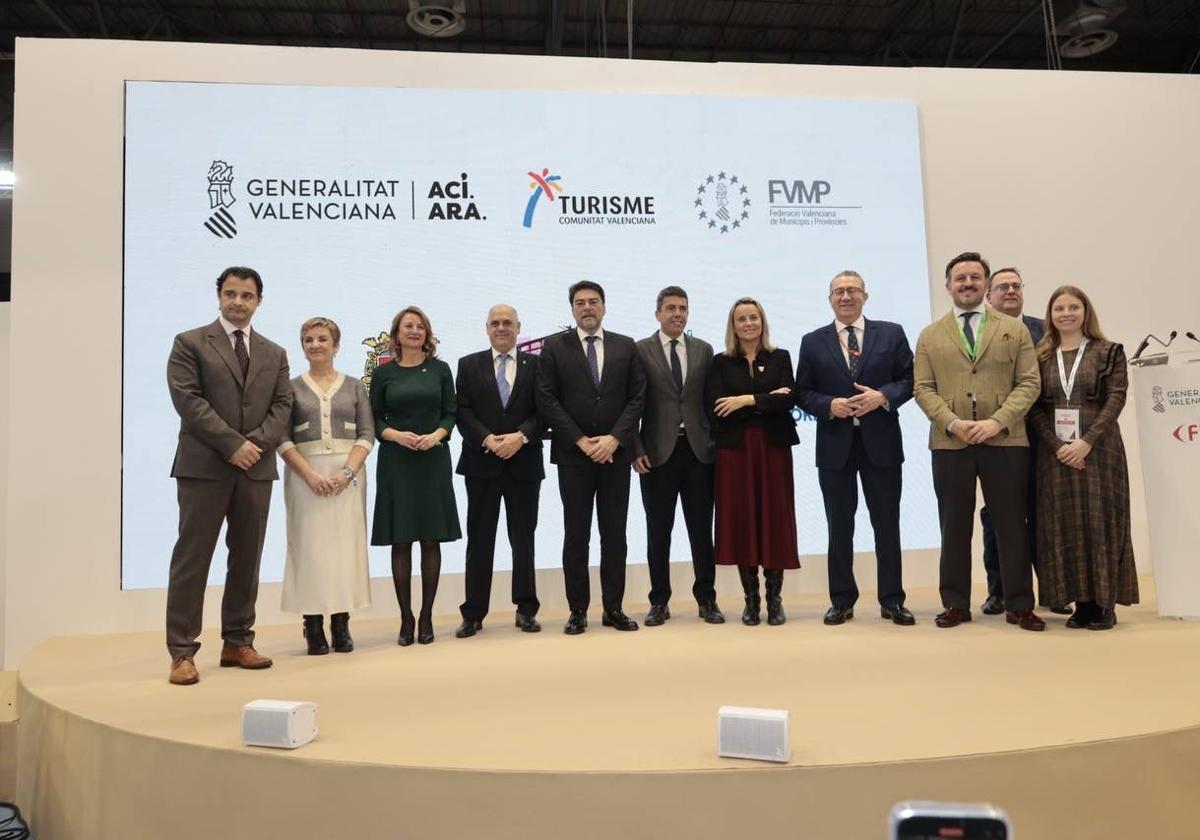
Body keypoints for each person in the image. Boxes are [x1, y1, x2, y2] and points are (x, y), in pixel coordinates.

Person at [164, 266, 292, 685]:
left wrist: (253, 444)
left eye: (247, 295)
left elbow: (282, 406)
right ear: (219, 296)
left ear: (259, 301)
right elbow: (188, 400)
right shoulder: (190, 343)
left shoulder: (274, 352)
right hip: (204, 468)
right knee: (193, 558)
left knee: (247, 557)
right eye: (231, 294)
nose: (238, 302)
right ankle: (182, 651)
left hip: (255, 469)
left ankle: (238, 641)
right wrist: (232, 444)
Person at [912, 252, 1045, 631]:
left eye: (974, 278)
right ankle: (955, 603)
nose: (967, 283)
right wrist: (952, 422)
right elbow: (922, 388)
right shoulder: (930, 335)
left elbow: (1029, 383)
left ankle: (1019, 604)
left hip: (1004, 440)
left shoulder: (1013, 330)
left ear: (985, 285)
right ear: (948, 286)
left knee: (1010, 525)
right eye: (960, 278)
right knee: (953, 525)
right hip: (950, 443)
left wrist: (997, 421)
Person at [795, 271, 915, 627]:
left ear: (865, 295)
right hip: (835, 447)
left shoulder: (891, 333)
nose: (846, 296)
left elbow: (910, 380)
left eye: (852, 290)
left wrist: (884, 396)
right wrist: (828, 404)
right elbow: (801, 391)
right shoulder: (812, 340)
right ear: (829, 298)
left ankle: (892, 600)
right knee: (839, 526)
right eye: (839, 291)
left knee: (887, 525)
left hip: (882, 446)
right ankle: (841, 600)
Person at [535, 280, 646, 635]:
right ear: (572, 309)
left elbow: (637, 398)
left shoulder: (626, 346)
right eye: (580, 302)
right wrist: (582, 441)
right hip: (574, 457)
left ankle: (613, 608)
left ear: (604, 306)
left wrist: (614, 439)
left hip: (615, 455)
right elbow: (547, 399)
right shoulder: (554, 347)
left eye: (593, 302)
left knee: (615, 535)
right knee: (576, 535)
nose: (587, 308)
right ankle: (577, 610)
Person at [1027, 286, 1137, 630]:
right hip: (1054, 455)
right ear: (1051, 315)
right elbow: (1032, 406)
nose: (1066, 313)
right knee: (1065, 525)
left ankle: (1104, 604)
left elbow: (1116, 399)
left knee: (1100, 522)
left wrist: (1086, 442)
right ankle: (1081, 603)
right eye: (1059, 308)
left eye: (1074, 307)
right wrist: (1058, 445)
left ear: (1085, 312)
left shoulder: (1109, 352)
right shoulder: (1040, 356)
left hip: (1100, 452)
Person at [277, 317, 374, 655]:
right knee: (310, 549)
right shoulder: (289, 388)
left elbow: (366, 434)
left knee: (344, 549)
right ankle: (313, 623)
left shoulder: (354, 386)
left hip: (347, 476)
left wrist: (347, 473)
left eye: (322, 338)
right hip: (307, 476)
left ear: (336, 345)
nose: (315, 344)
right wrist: (311, 475)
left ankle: (341, 622)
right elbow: (281, 437)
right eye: (308, 339)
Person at [454, 304, 546, 638]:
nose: (502, 328)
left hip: (524, 463)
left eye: (508, 323)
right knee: (479, 541)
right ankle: (473, 613)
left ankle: (526, 609)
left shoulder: (536, 365)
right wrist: (488, 440)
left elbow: (544, 409)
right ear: (487, 328)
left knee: (523, 540)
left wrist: (520, 437)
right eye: (495, 323)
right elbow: (462, 411)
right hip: (482, 464)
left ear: (519, 327)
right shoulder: (468, 364)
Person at [633, 286, 723, 627]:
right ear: (657, 313)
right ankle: (659, 602)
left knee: (702, 531)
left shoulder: (703, 350)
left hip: (699, 453)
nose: (677, 314)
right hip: (656, 455)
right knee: (659, 531)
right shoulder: (640, 350)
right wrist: (636, 449)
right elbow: (633, 405)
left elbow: (709, 404)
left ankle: (707, 600)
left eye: (683, 308)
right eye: (670, 308)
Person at [370, 306, 461, 646]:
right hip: (396, 462)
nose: (415, 331)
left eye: (420, 326)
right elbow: (375, 419)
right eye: (408, 326)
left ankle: (426, 616)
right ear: (396, 334)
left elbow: (450, 413)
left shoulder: (440, 370)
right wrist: (396, 435)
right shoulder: (383, 374)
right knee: (401, 539)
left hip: (432, 460)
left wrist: (437, 435)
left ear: (427, 334)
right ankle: (406, 618)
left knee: (430, 539)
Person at [977, 267, 1063, 615]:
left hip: (1043, 436)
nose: (1010, 291)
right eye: (1002, 287)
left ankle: (1054, 591)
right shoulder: (978, 331)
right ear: (989, 295)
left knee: (1044, 514)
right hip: (998, 437)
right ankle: (999, 591)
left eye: (1016, 286)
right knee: (997, 516)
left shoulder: (1046, 331)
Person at [709, 297, 799, 626]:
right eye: (741, 319)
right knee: (742, 519)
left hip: (773, 449)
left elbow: (789, 397)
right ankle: (751, 600)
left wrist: (747, 400)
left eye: (753, 317)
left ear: (763, 323)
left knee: (774, 518)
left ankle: (774, 600)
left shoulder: (780, 358)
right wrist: (766, 401)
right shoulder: (720, 363)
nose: (748, 323)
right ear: (733, 326)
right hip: (734, 451)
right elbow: (717, 406)